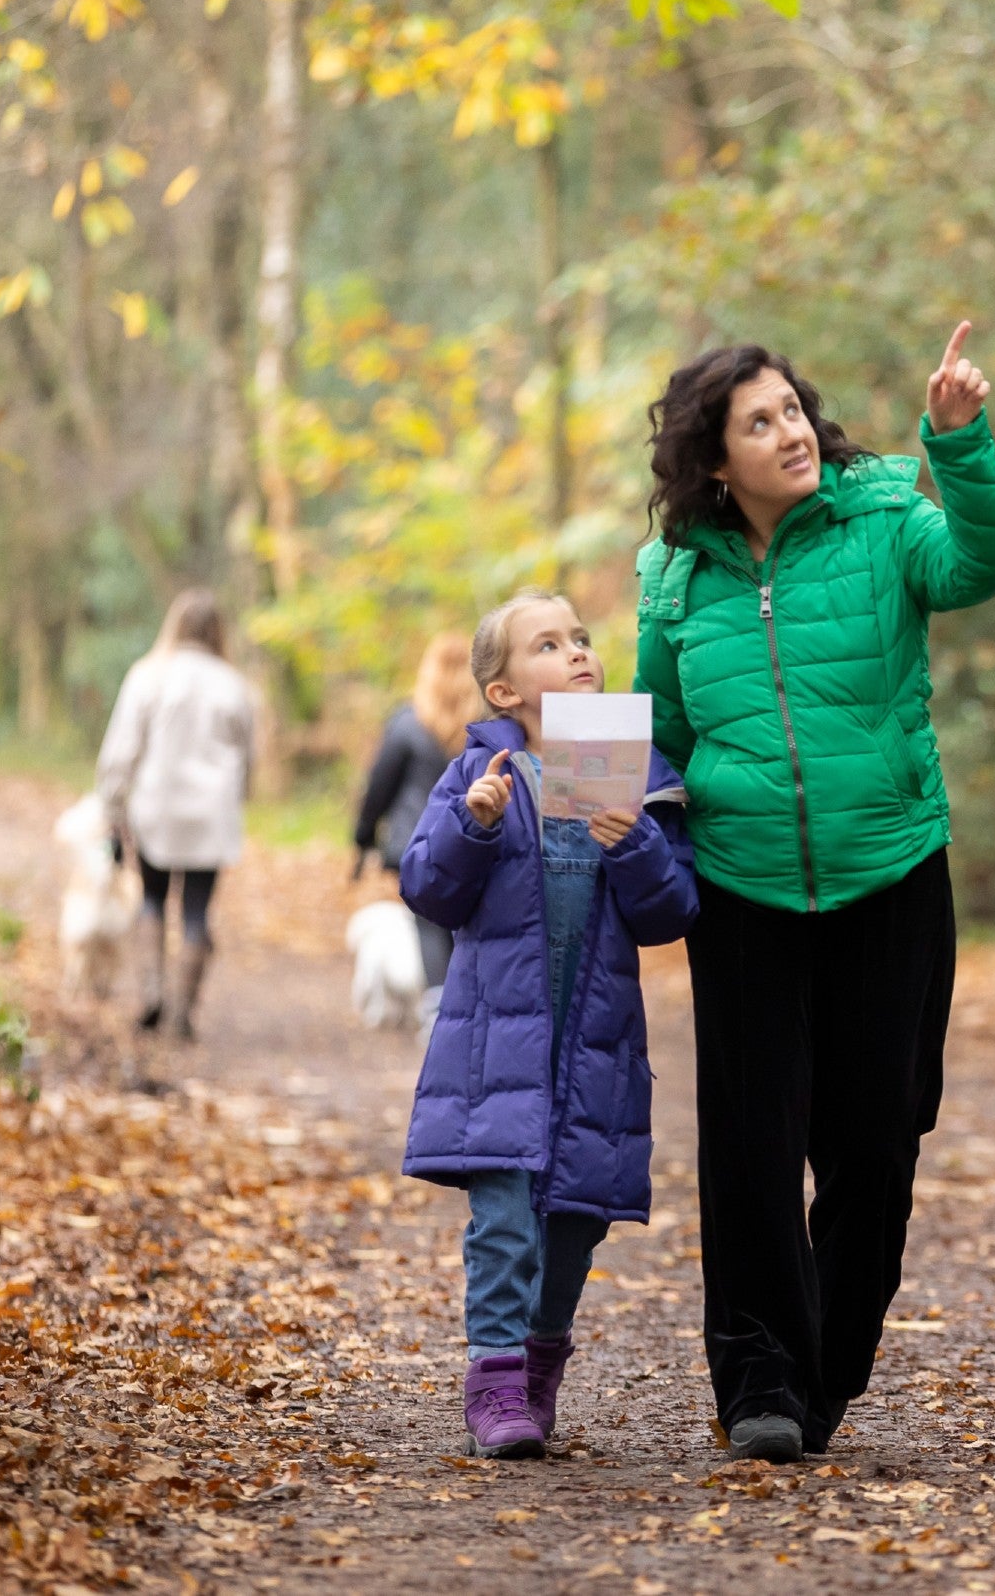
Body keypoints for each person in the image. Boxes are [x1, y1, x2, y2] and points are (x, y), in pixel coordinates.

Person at [633, 324, 995, 1464]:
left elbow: (985, 564)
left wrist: (959, 444)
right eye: (759, 422)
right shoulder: (673, 574)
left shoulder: (883, 511)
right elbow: (658, 730)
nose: (790, 431)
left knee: (875, 1141)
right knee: (749, 1147)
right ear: (715, 460)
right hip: (742, 888)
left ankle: (831, 1359)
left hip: (890, 872)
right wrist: (601, 812)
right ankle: (757, 1376)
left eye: (793, 409)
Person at [398, 589, 699, 1460]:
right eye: (547, 645)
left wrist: (635, 841)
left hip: (595, 1053)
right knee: (503, 1222)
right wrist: (474, 827)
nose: (576, 653)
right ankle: (492, 1384)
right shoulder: (480, 777)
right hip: (497, 1049)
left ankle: (538, 1373)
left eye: (581, 639)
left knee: (572, 1227)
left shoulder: (635, 772)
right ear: (502, 692)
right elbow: (427, 889)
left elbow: (671, 911)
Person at [95, 588, 257, 1040]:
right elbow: (249, 755)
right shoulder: (235, 684)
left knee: (150, 898)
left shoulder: (148, 675)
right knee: (196, 910)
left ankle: (151, 992)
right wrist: (241, 797)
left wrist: (112, 806)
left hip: (155, 808)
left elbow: (121, 750)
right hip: (211, 814)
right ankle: (182, 1012)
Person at [354, 632, 484, 1023]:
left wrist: (363, 837)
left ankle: (436, 1009)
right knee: (465, 924)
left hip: (416, 841)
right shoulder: (486, 728)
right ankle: (463, 1007)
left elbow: (378, 786)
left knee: (428, 923)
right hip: (471, 839)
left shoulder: (407, 724)